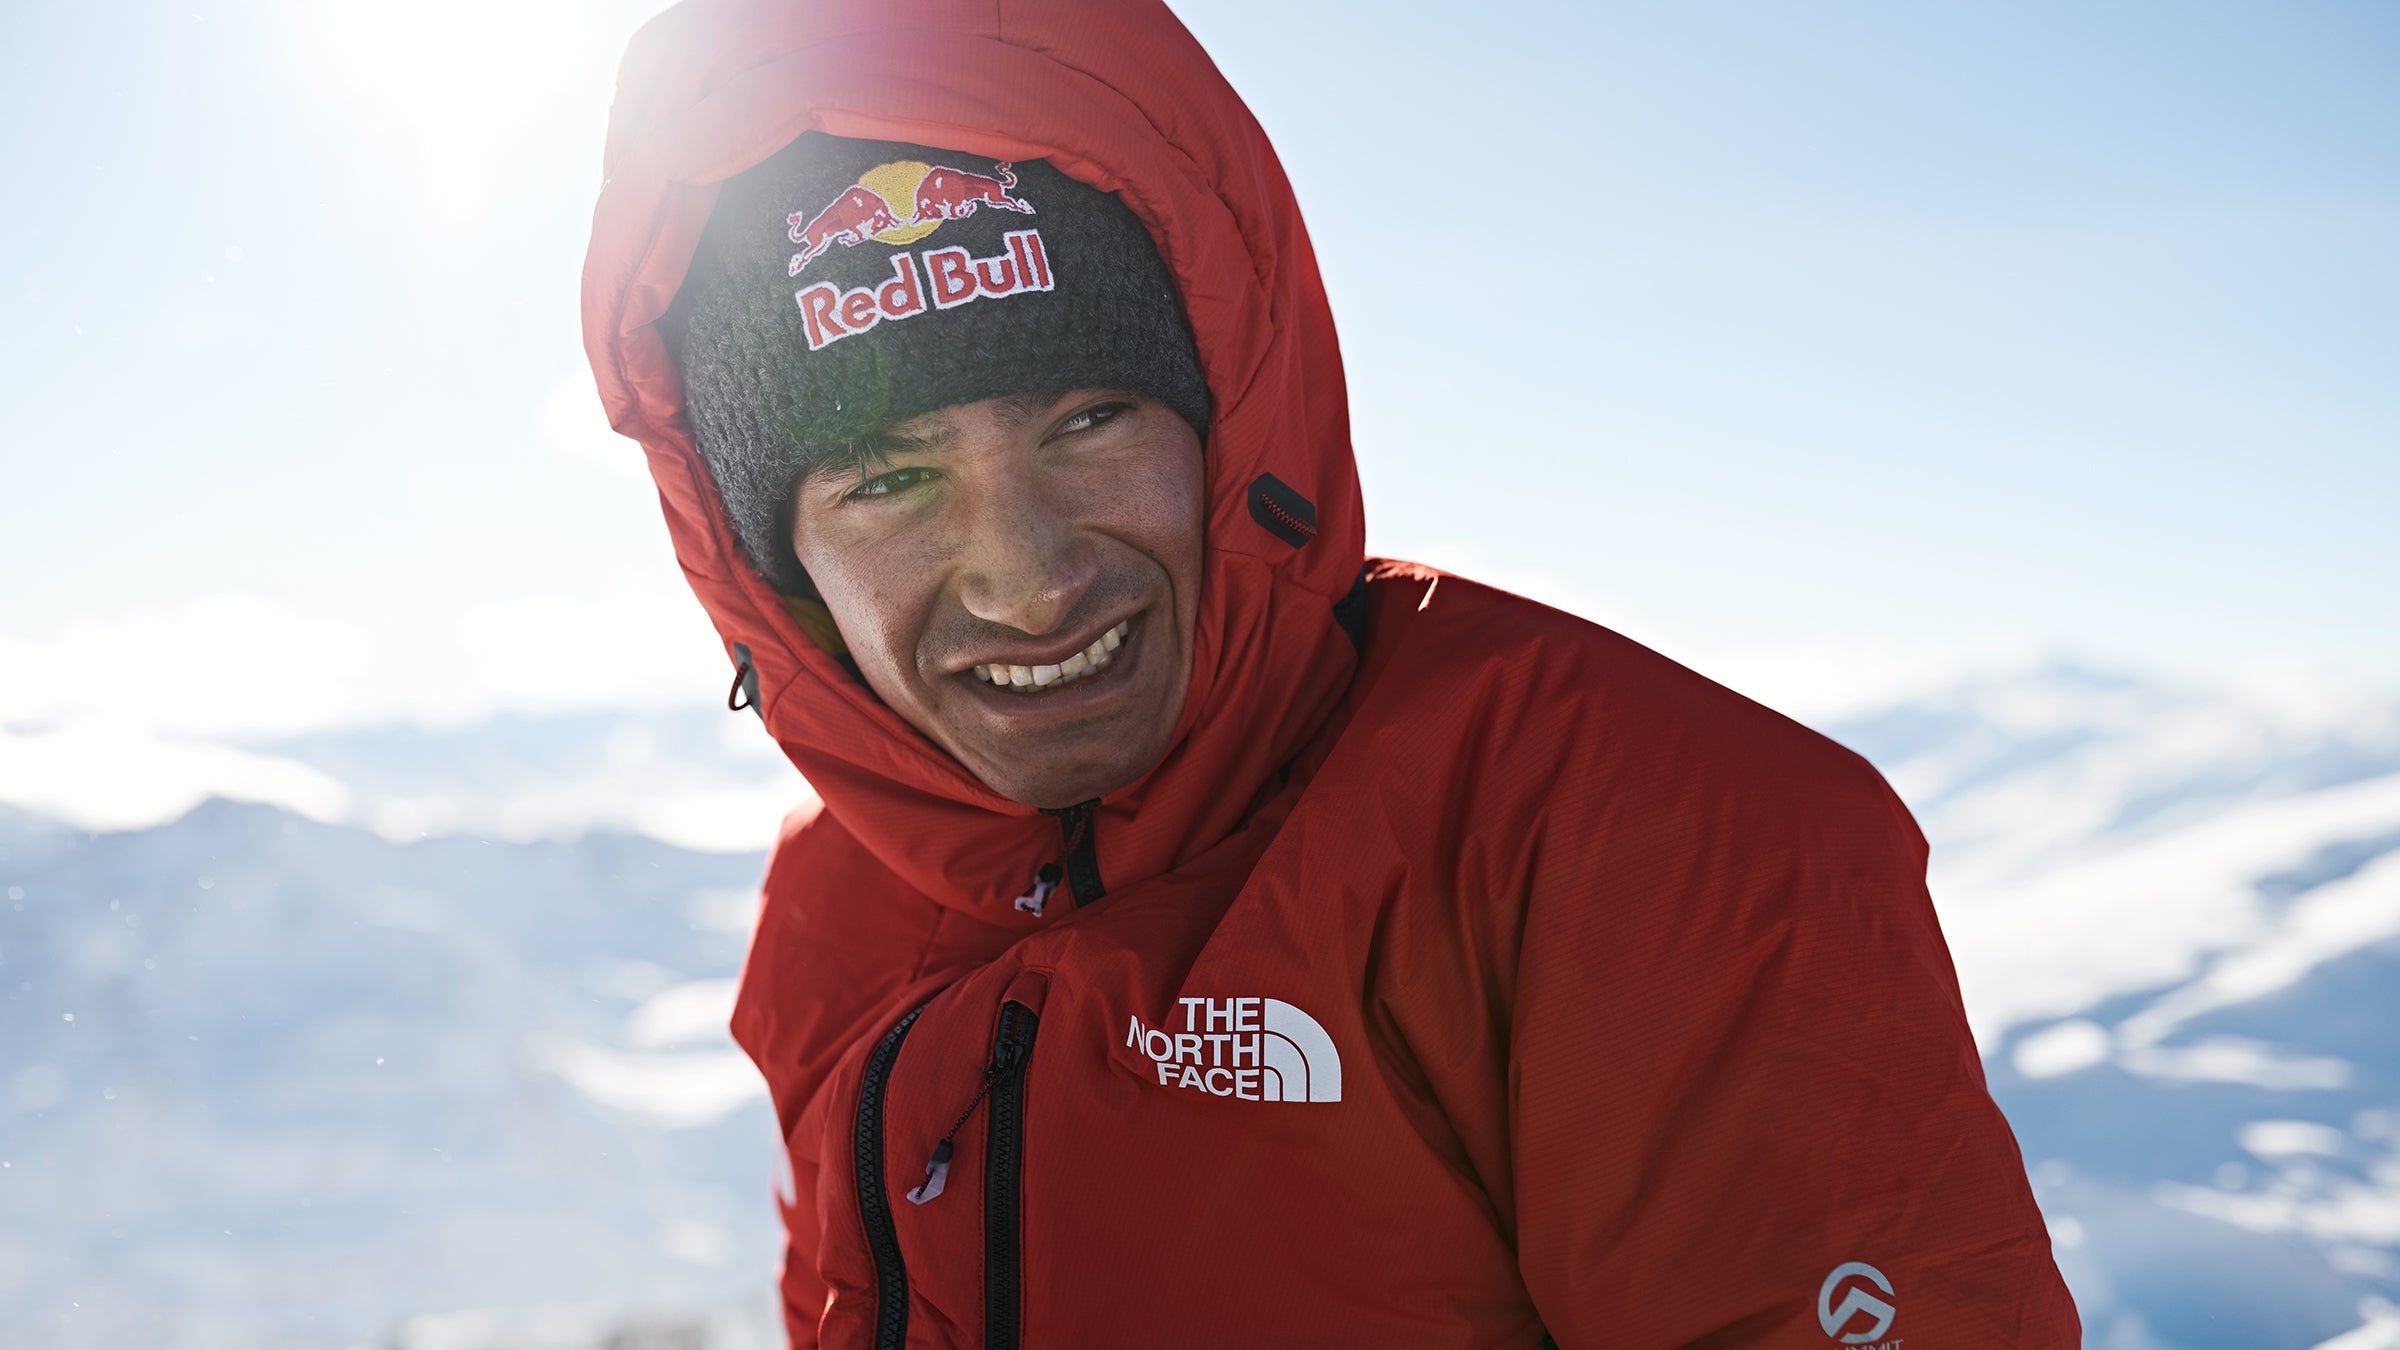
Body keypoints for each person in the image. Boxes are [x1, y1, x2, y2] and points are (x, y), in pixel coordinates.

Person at [581, 1, 2081, 1345]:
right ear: (771, 564)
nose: (1027, 578)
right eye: (888, 482)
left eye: (1092, 417)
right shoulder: (836, 903)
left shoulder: (1635, 841)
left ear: (1233, 418)